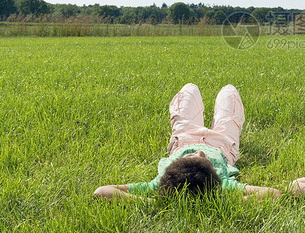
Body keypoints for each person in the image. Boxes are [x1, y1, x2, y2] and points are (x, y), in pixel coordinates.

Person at [94, 83, 281, 200]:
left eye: (192, 156)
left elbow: (102, 191)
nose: (201, 152)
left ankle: (189, 145)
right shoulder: (220, 185)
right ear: (213, 173)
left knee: (189, 88)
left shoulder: (160, 183)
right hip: (223, 145)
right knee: (229, 91)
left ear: (175, 165)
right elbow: (274, 194)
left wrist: (148, 202)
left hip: (184, 138)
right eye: (205, 159)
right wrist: (221, 200)